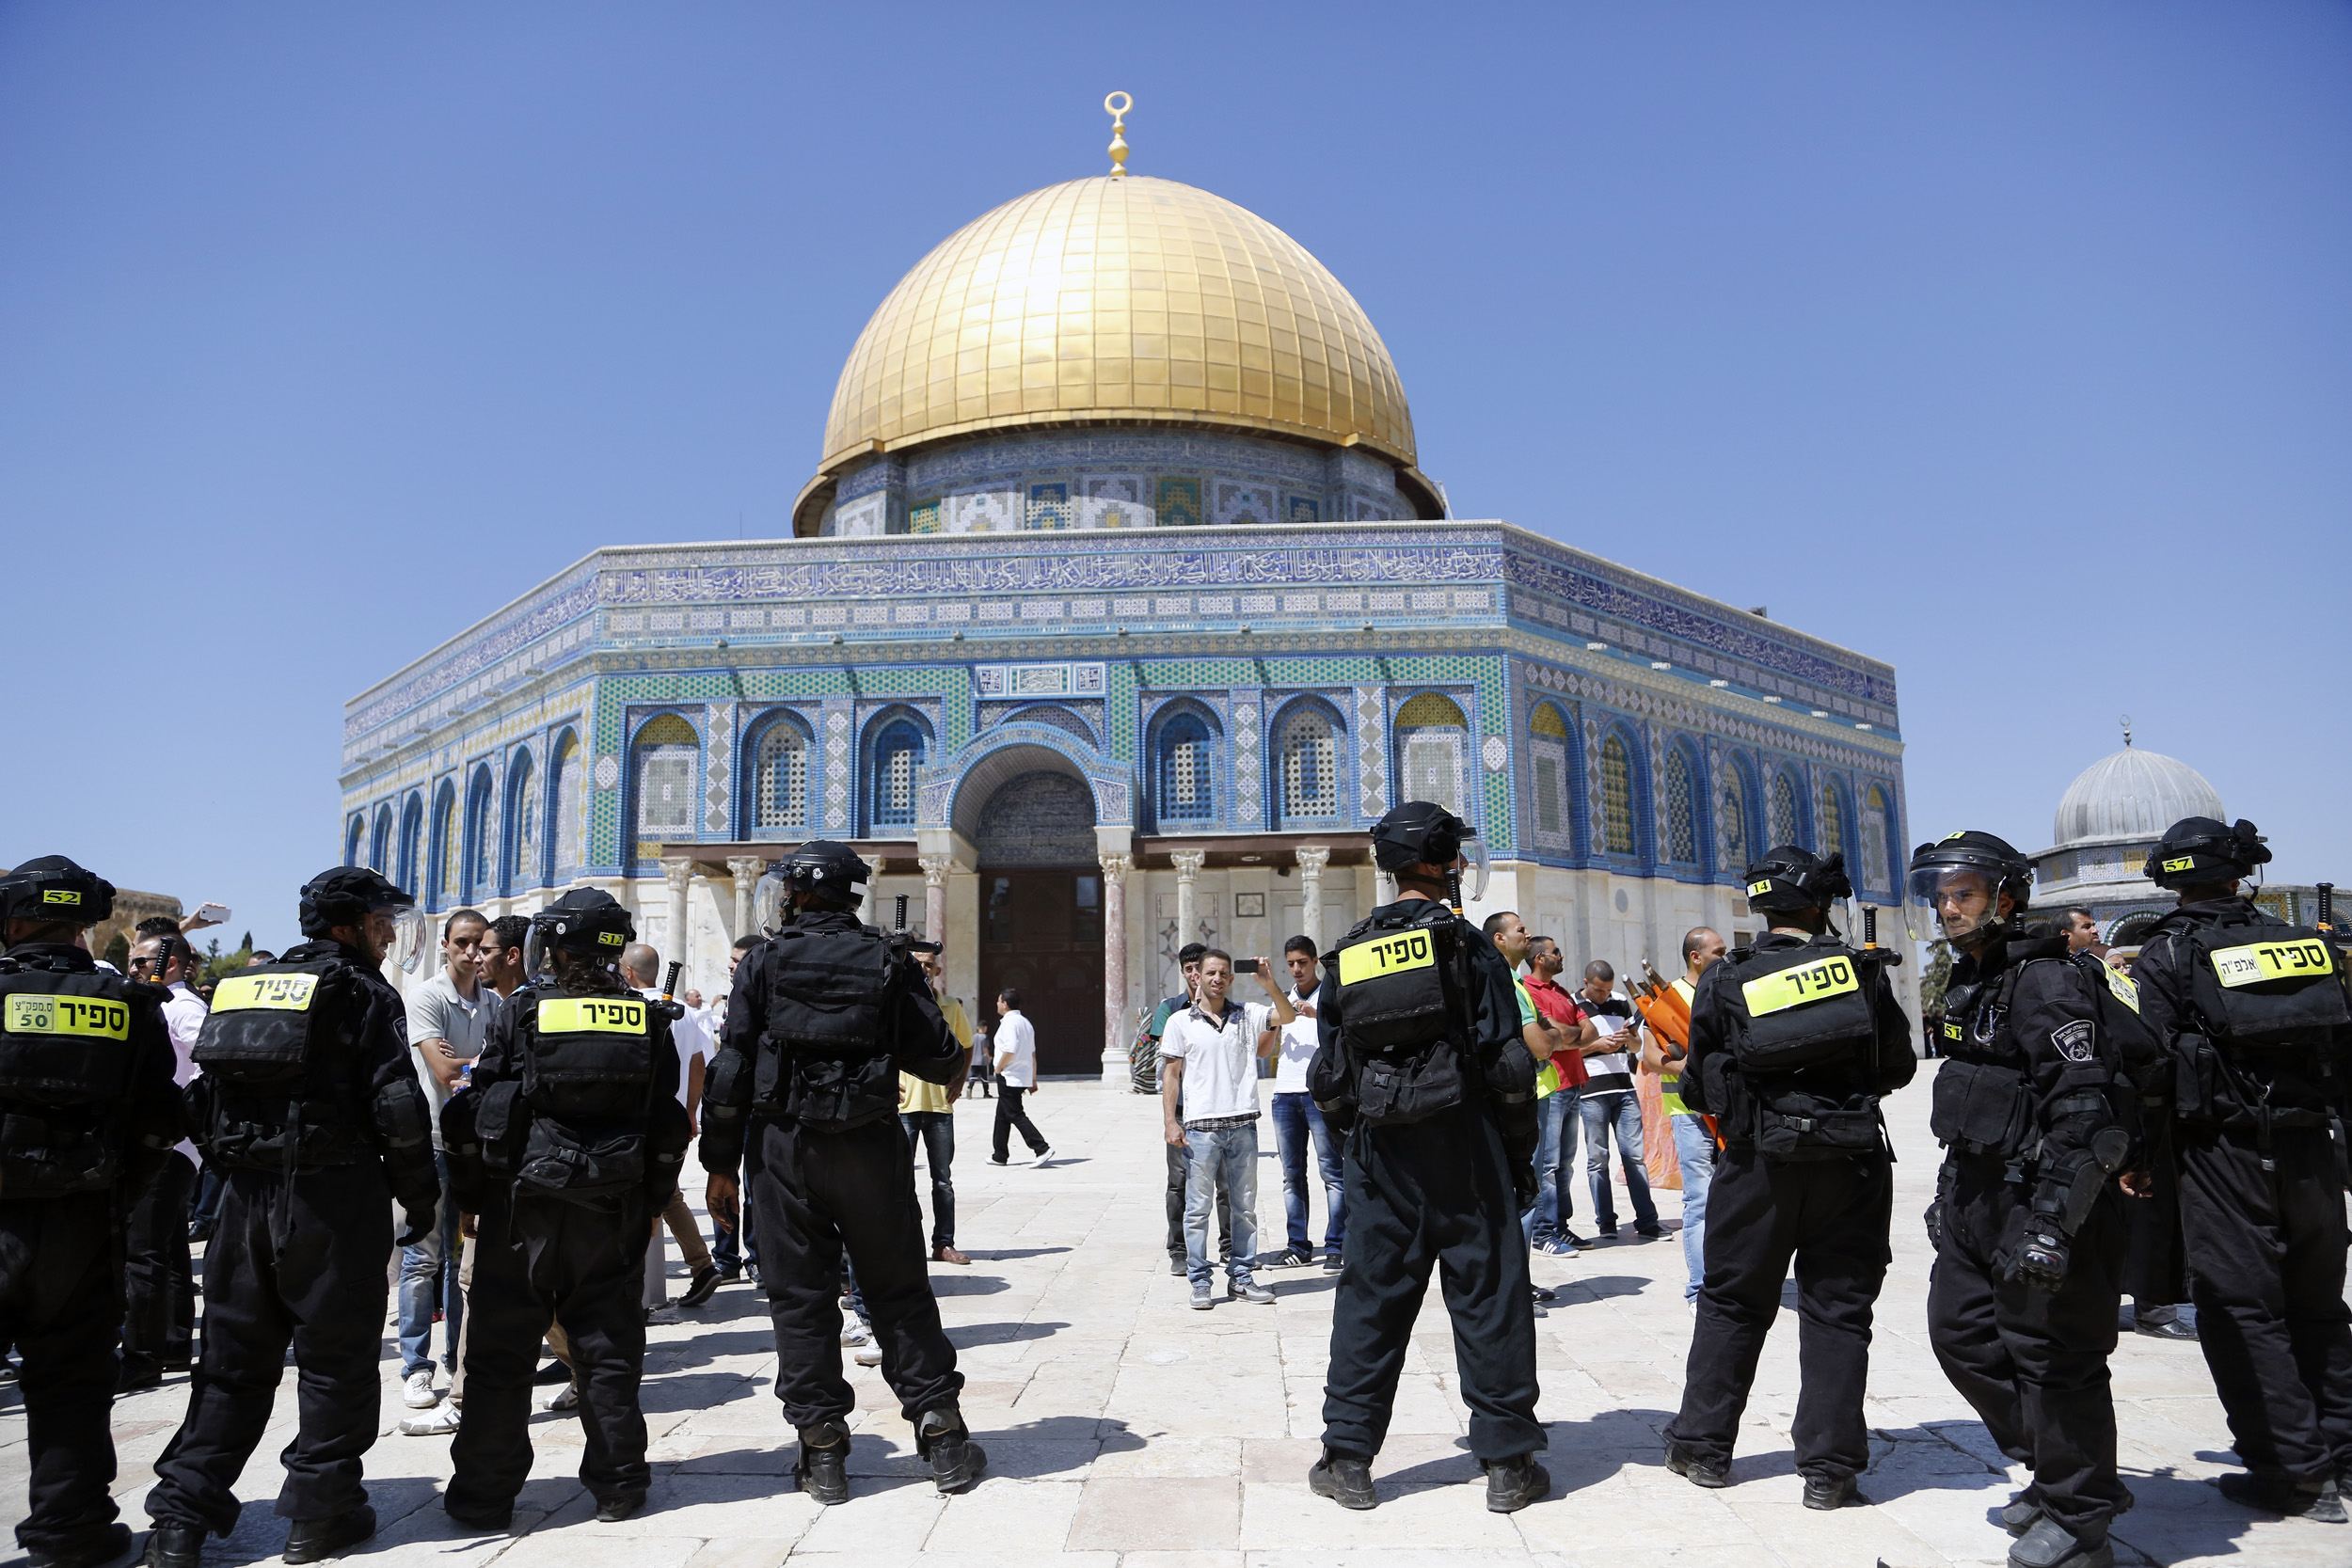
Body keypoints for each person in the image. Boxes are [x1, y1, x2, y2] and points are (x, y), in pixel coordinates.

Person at [146, 866, 440, 1568]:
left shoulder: (248, 985)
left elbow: (204, 1095)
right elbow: (398, 1108)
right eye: (379, 919)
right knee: (336, 1363)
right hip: (331, 1201)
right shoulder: (366, 992)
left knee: (229, 1364)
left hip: (244, 1204)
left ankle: (178, 1522)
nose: (389, 930)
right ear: (348, 925)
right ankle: (321, 1513)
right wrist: (421, 1196)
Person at [698, 842, 983, 1503]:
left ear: (797, 896)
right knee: (897, 1292)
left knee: (799, 1300)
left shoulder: (764, 962)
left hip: (782, 1149)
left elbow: (732, 1068)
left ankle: (822, 1452)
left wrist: (719, 1165)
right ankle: (942, 1438)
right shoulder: (888, 960)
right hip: (870, 1148)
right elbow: (941, 1062)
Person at [1307, 801, 1551, 1514]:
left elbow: (1332, 1078)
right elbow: (1508, 1067)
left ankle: (1348, 1458)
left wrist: (1363, 1143)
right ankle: (1508, 1464)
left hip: (1382, 1153)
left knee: (1370, 1301)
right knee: (1490, 1296)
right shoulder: (1468, 946)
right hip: (1466, 1147)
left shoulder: (1347, 953)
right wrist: (1515, 1157)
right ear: (1443, 863)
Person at [1911, 832, 2141, 1568]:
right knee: (1961, 1333)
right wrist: (1952, 1196)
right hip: (1979, 1196)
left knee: (2055, 1360)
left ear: (2005, 897)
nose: (1948, 908)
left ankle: (2079, 1521)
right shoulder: (1970, 977)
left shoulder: (2046, 980)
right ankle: (2068, 1473)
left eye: (1963, 894)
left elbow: (2084, 1116)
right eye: (1940, 895)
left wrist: (2051, 1222)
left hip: (2041, 1200)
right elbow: (1973, 1100)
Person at [1662, 848, 1913, 1512]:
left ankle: (1704, 1448)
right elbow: (1897, 1065)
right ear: (1818, 903)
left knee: (1732, 1303)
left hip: (1757, 1166)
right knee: (1837, 1311)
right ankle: (1830, 1471)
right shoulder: (1856, 969)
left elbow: (1696, 1084)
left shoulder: (1726, 976)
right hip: (1850, 1163)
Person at [437, 889, 688, 1528]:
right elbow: (667, 1127)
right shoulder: (645, 1018)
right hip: (612, 1211)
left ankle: (484, 1495)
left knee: (499, 1355)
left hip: (523, 1211)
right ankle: (619, 1484)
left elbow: (474, 1111)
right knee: (609, 1351)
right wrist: (653, 1204)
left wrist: (469, 1200)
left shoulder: (522, 1011)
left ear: (555, 945)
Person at [2132, 816, 2352, 1522]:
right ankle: (2340, 1453)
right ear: (2240, 871)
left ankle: (2294, 1473)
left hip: (2223, 1149)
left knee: (2239, 1311)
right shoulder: (2299, 943)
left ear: (2169, 877)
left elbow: (2155, 1068)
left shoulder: (2167, 951)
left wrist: (2139, 1157)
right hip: (2311, 1147)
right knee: (2319, 1306)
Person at [0, 857, 183, 1568]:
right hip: (84, 1225)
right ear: (85, 925)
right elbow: (161, 1122)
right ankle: (70, 1530)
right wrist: (117, 1196)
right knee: (72, 1381)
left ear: (12, 923)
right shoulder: (125, 1006)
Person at [397, 909, 497, 1413]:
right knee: (422, 1259)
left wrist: (469, 1065)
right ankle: (416, 1367)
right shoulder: (427, 996)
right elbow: (442, 1072)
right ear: (445, 944)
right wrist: (479, 1064)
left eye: (480, 943)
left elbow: (481, 1071)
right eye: (462, 942)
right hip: (433, 1142)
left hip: (474, 1147)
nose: (472, 952)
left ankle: (460, 1361)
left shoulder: (495, 1002)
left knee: (466, 1265)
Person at [1162, 950, 1294, 1307]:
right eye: (1210, 973)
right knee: (1197, 1207)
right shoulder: (1179, 1022)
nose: (1217, 978)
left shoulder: (1247, 1015)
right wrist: (1170, 1121)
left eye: (1223, 973)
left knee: (1244, 1206)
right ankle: (1199, 1280)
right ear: (1197, 977)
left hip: (1242, 1124)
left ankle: (1242, 1276)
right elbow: (1171, 1074)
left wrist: (1268, 982)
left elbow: (1287, 1016)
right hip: (1201, 1128)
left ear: (1230, 979)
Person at [119, 927, 206, 1392]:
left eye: (139, 962)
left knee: (144, 1252)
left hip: (169, 1147)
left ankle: (141, 1355)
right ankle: (171, 1343)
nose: (132, 970)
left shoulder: (182, 1008)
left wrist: (183, 1115)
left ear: (168, 964)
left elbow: (211, 1060)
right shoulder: (159, 1003)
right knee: (169, 1248)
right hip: (168, 1144)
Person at [619, 942, 723, 1314]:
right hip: (672, 1120)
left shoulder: (625, 1008)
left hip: (636, 1120)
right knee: (667, 1193)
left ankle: (637, 1290)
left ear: (627, 972)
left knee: (638, 1199)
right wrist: (691, 1111)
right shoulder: (685, 1014)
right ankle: (701, 1266)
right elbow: (699, 1065)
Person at [1647, 927, 1725, 1303]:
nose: (1725, 958)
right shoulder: (1669, 997)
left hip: (1728, 1109)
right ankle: (1700, 1288)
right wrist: (1689, 1067)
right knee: (1701, 1199)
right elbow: (1650, 1057)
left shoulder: (1728, 988)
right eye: (1718, 951)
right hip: (1690, 1111)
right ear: (1696, 956)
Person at [1146, 944, 1230, 1275]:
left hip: (1219, 1109)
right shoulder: (1171, 1009)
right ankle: (1179, 1250)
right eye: (1191, 969)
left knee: (1226, 1184)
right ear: (1183, 971)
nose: (1197, 975)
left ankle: (1229, 1247)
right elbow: (1171, 1064)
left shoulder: (1226, 1010)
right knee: (1179, 1182)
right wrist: (1170, 1120)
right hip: (1185, 1110)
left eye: (1202, 968)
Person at [1268, 935, 1343, 1273]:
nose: (1297, 969)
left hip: (1321, 1094)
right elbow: (1263, 1049)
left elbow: (1346, 1036)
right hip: (1285, 1094)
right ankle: (1297, 1244)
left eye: (1302, 962)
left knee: (1332, 1172)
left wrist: (1319, 1015)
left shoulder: (1331, 996)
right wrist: (1275, 1013)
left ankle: (1337, 1245)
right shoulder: (1283, 999)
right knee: (1291, 1175)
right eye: (1291, 964)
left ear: (1315, 961)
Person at [1576, 961, 1662, 1240]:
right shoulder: (1572, 1005)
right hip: (1591, 1091)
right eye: (1599, 991)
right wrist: (1596, 1046)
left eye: (1608, 990)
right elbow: (1565, 1051)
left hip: (1624, 1089)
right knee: (1598, 1159)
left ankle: (1648, 1221)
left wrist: (1629, 1040)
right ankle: (1606, 1223)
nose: (1604, 996)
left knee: (1634, 1157)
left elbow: (1637, 1047)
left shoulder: (1621, 1002)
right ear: (1586, 982)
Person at [1519, 936, 1593, 1255]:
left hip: (1575, 1082)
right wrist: (1566, 1035)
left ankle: (1560, 1225)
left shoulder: (1561, 991)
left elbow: (1589, 1032)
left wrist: (1567, 1036)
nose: (1561, 955)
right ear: (1538, 958)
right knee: (1546, 1165)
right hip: (1555, 1086)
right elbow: (1555, 1037)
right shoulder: (1528, 990)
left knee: (1565, 1163)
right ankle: (1542, 1231)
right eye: (1555, 952)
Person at [903, 947, 975, 1266]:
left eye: (929, 965)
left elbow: (967, 1045)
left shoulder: (950, 1006)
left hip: (939, 1107)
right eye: (918, 964)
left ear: (938, 971)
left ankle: (943, 1243)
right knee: (900, 1179)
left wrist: (959, 1080)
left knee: (942, 1180)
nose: (924, 969)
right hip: (905, 1106)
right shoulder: (899, 1002)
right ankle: (904, 1244)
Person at [706, 933, 763, 1285]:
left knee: (755, 1187)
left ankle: (756, 1257)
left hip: (756, 1105)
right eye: (730, 959)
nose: (730, 965)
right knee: (723, 1176)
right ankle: (725, 1258)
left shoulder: (765, 1000)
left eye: (738, 960)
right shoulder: (732, 1001)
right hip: (730, 1106)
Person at [990, 990, 1053, 1166]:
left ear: (1005, 1003)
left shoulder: (1010, 1023)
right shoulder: (1025, 1023)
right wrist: (1032, 1079)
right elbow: (1032, 1053)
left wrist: (999, 1067)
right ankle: (999, 1154)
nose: (996, 1004)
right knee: (1002, 1115)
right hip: (1021, 1075)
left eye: (998, 1001)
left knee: (1015, 1114)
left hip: (1009, 1075)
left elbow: (1010, 1048)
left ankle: (1041, 1148)